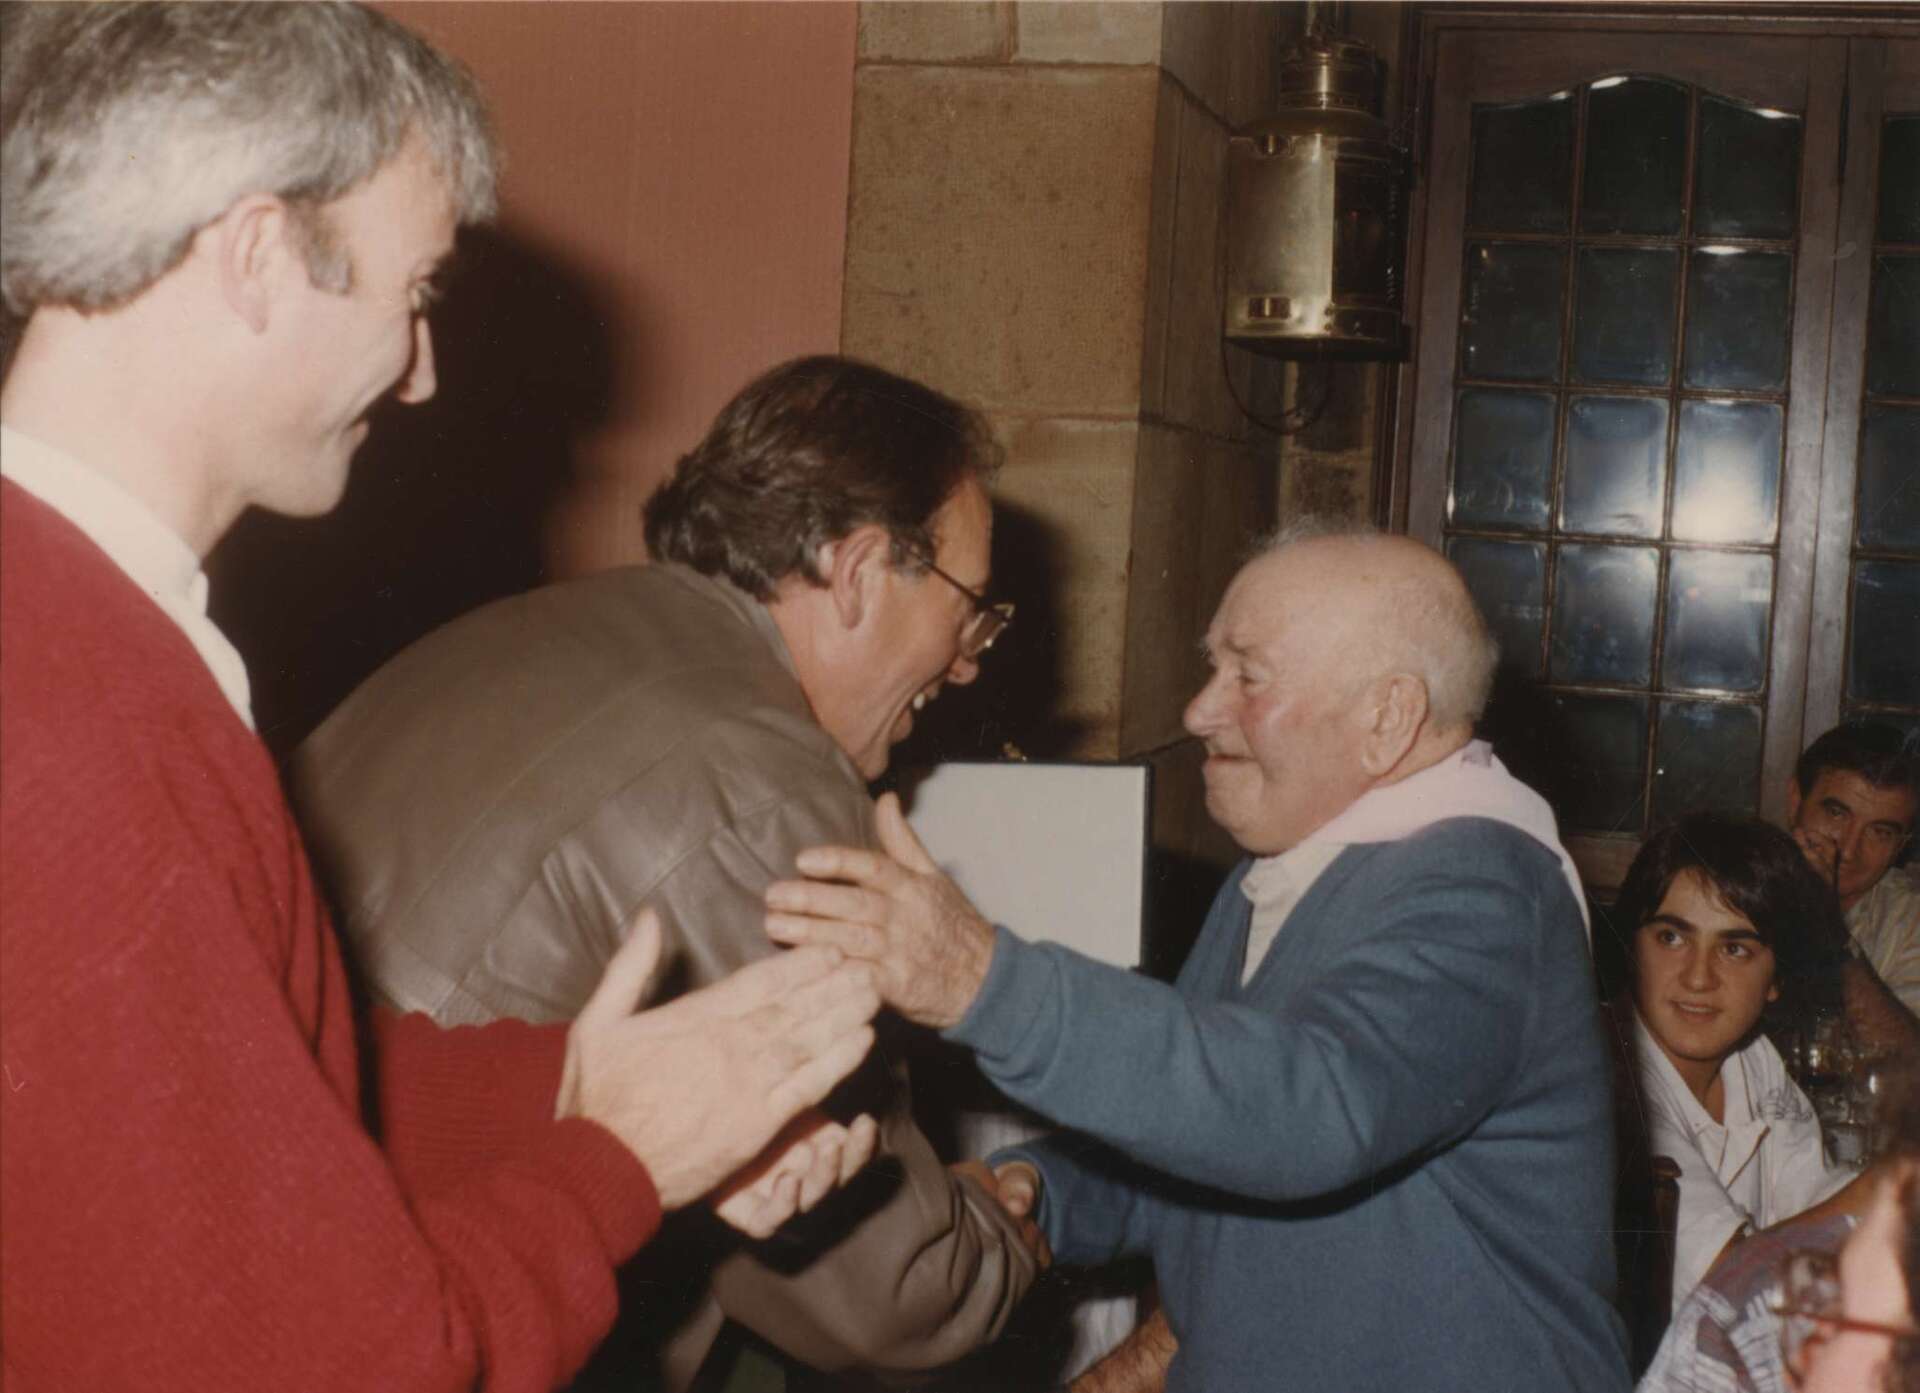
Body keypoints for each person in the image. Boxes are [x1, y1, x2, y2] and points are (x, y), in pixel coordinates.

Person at [0, 7, 881, 1391]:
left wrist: (577, 1087)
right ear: (255, 254)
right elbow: (347, 1362)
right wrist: (620, 1161)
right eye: (412, 294)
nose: (421, 374)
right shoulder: (78, 722)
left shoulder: (74, 627)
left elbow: (241, 1085)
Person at [289, 355, 1042, 1389]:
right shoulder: (768, 778)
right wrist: (1007, 1239)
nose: (968, 662)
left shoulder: (543, 624)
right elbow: (884, 1296)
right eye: (970, 610)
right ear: (861, 572)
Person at [765, 522, 1632, 1392]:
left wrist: (984, 981)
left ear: (1388, 716)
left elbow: (1307, 1109)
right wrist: (1044, 1187)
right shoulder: (1289, 867)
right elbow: (1212, 1142)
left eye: (1247, 676)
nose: (1197, 711)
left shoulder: (1485, 888)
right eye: (1213, 667)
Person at [1605, 814, 1876, 1317]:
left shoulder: (1751, 1059)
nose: (1698, 978)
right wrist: (1889, 1186)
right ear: (1632, 948)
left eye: (1733, 948)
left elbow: (1816, 1201)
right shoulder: (1615, 1086)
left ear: (1776, 980)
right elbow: (1732, 1286)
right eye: (1671, 938)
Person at [1637, 1062, 1919, 1393]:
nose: (1796, 1355)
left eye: (1838, 1314)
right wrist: (1887, 1180)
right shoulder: (1639, 1086)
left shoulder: (1757, 1064)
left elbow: (1737, 1288)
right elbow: (1734, 1286)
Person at [1787, 724, 1920, 1029]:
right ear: (1795, 801)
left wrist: (1831, 932)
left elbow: (1910, 1056)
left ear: (1901, 845)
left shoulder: (1909, 923)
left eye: (1880, 832)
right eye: (1836, 813)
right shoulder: (1730, 886)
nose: (1848, 850)